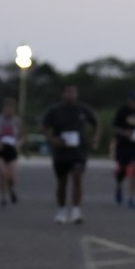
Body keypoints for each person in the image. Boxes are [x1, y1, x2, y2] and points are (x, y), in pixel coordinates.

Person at [42, 85, 99, 224]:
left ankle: (76, 210)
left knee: (77, 176)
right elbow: (43, 127)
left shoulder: (83, 110)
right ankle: (61, 210)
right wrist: (53, 139)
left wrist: (94, 137)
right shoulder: (55, 111)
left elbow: (96, 123)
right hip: (61, 151)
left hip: (78, 151)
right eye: (68, 92)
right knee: (62, 182)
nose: (70, 95)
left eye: (73, 92)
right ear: (63, 94)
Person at [111, 90, 135, 209]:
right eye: (133, 100)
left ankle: (132, 197)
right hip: (123, 144)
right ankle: (119, 185)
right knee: (122, 168)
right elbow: (115, 127)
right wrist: (124, 133)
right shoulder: (123, 111)